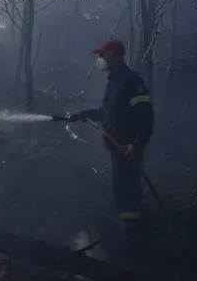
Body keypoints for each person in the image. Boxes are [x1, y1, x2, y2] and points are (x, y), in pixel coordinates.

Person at [67, 39, 154, 244]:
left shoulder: (132, 81)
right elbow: (107, 113)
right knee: (123, 191)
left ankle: (134, 238)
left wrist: (138, 145)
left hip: (127, 150)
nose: (100, 59)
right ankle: (133, 232)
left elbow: (146, 116)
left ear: (114, 55)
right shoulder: (115, 82)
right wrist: (82, 114)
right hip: (118, 149)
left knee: (127, 193)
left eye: (102, 55)